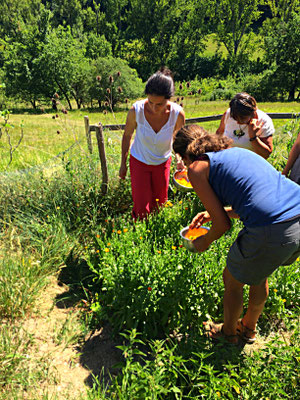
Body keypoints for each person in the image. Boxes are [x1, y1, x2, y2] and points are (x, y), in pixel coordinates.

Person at [173, 125, 300, 344]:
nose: (185, 166)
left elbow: (223, 226)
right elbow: (256, 198)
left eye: (183, 161)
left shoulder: (196, 168)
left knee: (231, 279)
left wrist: (203, 241)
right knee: (259, 273)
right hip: (296, 214)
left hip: (272, 226)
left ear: (185, 155)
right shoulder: (234, 152)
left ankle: (228, 333)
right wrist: (215, 214)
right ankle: (249, 327)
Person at [119, 68, 185, 219]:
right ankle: (138, 234)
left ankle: (154, 234)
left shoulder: (177, 114)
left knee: (160, 203)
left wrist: (179, 160)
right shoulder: (136, 111)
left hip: (162, 162)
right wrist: (123, 164)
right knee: (141, 205)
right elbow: (127, 135)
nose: (154, 108)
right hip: (139, 161)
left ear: (169, 98)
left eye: (159, 104)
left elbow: (178, 140)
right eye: (150, 102)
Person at [216, 92, 274, 159]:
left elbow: (267, 153)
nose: (237, 122)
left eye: (242, 119)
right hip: (229, 158)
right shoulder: (228, 114)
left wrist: (253, 137)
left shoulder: (264, 121)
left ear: (252, 113)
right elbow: (219, 134)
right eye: (234, 118)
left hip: (251, 161)